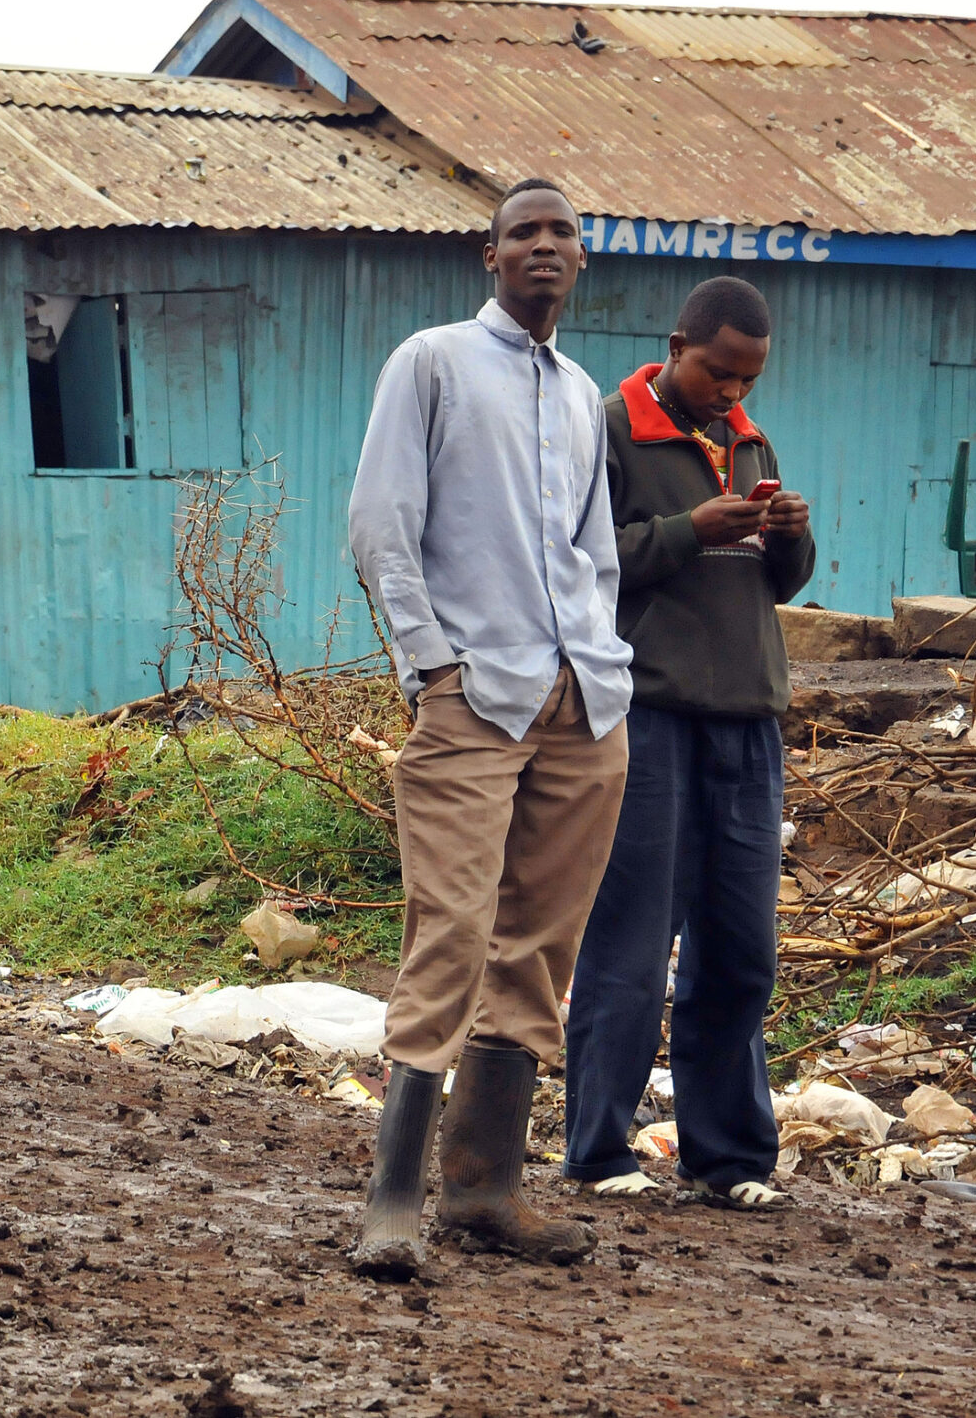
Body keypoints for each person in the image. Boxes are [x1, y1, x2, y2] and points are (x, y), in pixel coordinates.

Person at [344, 177, 635, 1276]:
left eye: (564, 230)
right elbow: (380, 523)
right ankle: (389, 1203)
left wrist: (599, 659)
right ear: (490, 255)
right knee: (452, 933)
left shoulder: (577, 392)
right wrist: (430, 666)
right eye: (525, 232)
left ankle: (484, 1194)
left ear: (581, 257)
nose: (545, 246)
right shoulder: (431, 361)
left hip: (581, 700)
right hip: (475, 694)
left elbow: (592, 548)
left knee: (536, 953)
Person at [562, 275, 815, 1211]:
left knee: (741, 949)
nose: (732, 395)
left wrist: (791, 534)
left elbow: (777, 586)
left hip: (749, 722)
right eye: (718, 373)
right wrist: (685, 528)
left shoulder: (749, 440)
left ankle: (730, 1158)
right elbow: (580, 563)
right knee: (630, 940)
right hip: (650, 715)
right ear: (676, 345)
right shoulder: (609, 430)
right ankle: (596, 1148)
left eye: (748, 379)